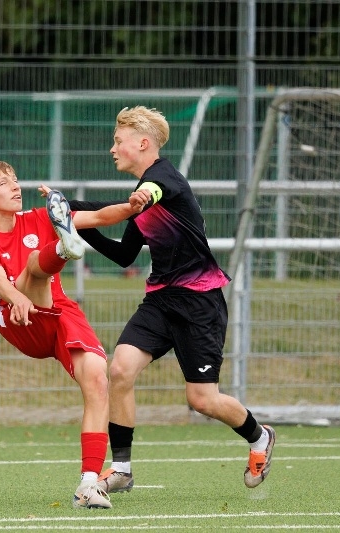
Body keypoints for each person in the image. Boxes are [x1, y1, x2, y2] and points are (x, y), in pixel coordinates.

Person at [68, 106, 276, 494]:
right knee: (120, 370)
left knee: (202, 399)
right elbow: (124, 255)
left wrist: (127, 200)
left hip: (199, 302)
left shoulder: (163, 180)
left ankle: (260, 436)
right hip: (161, 299)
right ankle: (122, 470)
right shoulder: (142, 195)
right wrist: (74, 216)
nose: (112, 148)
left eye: (118, 141)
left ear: (142, 143)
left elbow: (154, 191)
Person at [0, 160, 148, 509]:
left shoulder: (39, 217)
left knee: (97, 377)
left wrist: (131, 206)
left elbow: (100, 217)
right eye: (3, 183)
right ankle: (63, 249)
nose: (15, 186)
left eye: (15, 180)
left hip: (60, 310)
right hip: (20, 318)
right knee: (35, 264)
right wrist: (17, 298)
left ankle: (88, 484)